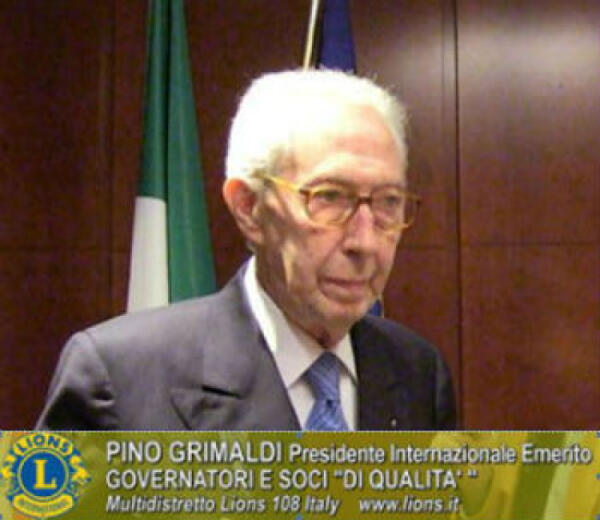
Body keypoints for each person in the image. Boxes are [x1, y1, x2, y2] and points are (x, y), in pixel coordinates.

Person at [37, 69, 456, 431]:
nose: (365, 242)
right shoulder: (115, 377)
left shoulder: (418, 372)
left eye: (388, 202)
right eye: (329, 197)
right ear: (248, 207)